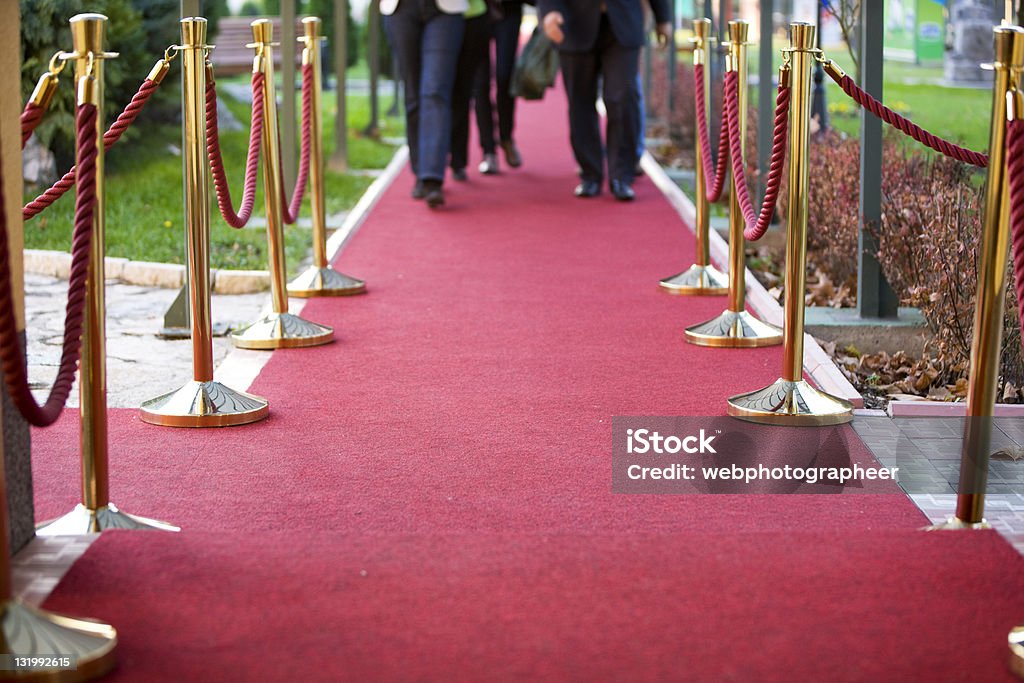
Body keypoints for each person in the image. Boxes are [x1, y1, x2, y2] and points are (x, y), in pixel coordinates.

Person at [537, 0, 671, 201]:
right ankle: (590, 174)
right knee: (580, 101)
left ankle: (622, 176)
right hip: (573, 23)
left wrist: (663, 18)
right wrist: (549, 11)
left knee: (623, 97)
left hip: (624, 22)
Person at [382, 0, 469, 208]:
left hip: (445, 9)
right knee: (413, 94)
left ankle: (432, 178)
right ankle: (420, 170)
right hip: (400, 8)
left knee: (435, 91)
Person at [475, 1, 529, 175]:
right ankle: (488, 150)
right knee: (480, 83)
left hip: (508, 10)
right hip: (478, 12)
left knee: (504, 76)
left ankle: (506, 137)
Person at [449, 0, 494, 181]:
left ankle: (459, 160)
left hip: (474, 16)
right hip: (440, 15)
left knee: (465, 90)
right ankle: (443, 155)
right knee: (442, 90)